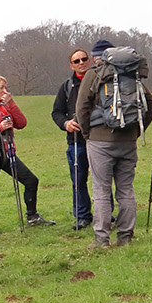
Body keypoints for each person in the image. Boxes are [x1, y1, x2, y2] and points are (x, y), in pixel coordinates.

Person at [74, 52, 152, 247]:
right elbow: (151, 104)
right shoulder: (133, 75)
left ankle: (101, 239)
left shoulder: (95, 74)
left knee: (101, 190)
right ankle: (125, 237)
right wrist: (137, 131)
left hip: (99, 140)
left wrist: (87, 133)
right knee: (126, 188)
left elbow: (82, 106)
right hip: (128, 141)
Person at [0, 74, 55, 236]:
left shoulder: (3, 105)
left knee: (31, 180)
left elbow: (21, 123)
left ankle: (32, 216)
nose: (5, 91)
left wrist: (11, 104)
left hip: (7, 153)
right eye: (1, 88)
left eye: (6, 87)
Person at [50, 48, 94, 229]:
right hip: (76, 141)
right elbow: (56, 112)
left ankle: (105, 213)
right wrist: (65, 123)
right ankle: (82, 216)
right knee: (78, 180)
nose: (81, 63)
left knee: (103, 180)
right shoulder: (67, 87)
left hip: (99, 139)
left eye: (84, 59)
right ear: (71, 65)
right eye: (77, 61)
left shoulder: (99, 81)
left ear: (90, 60)